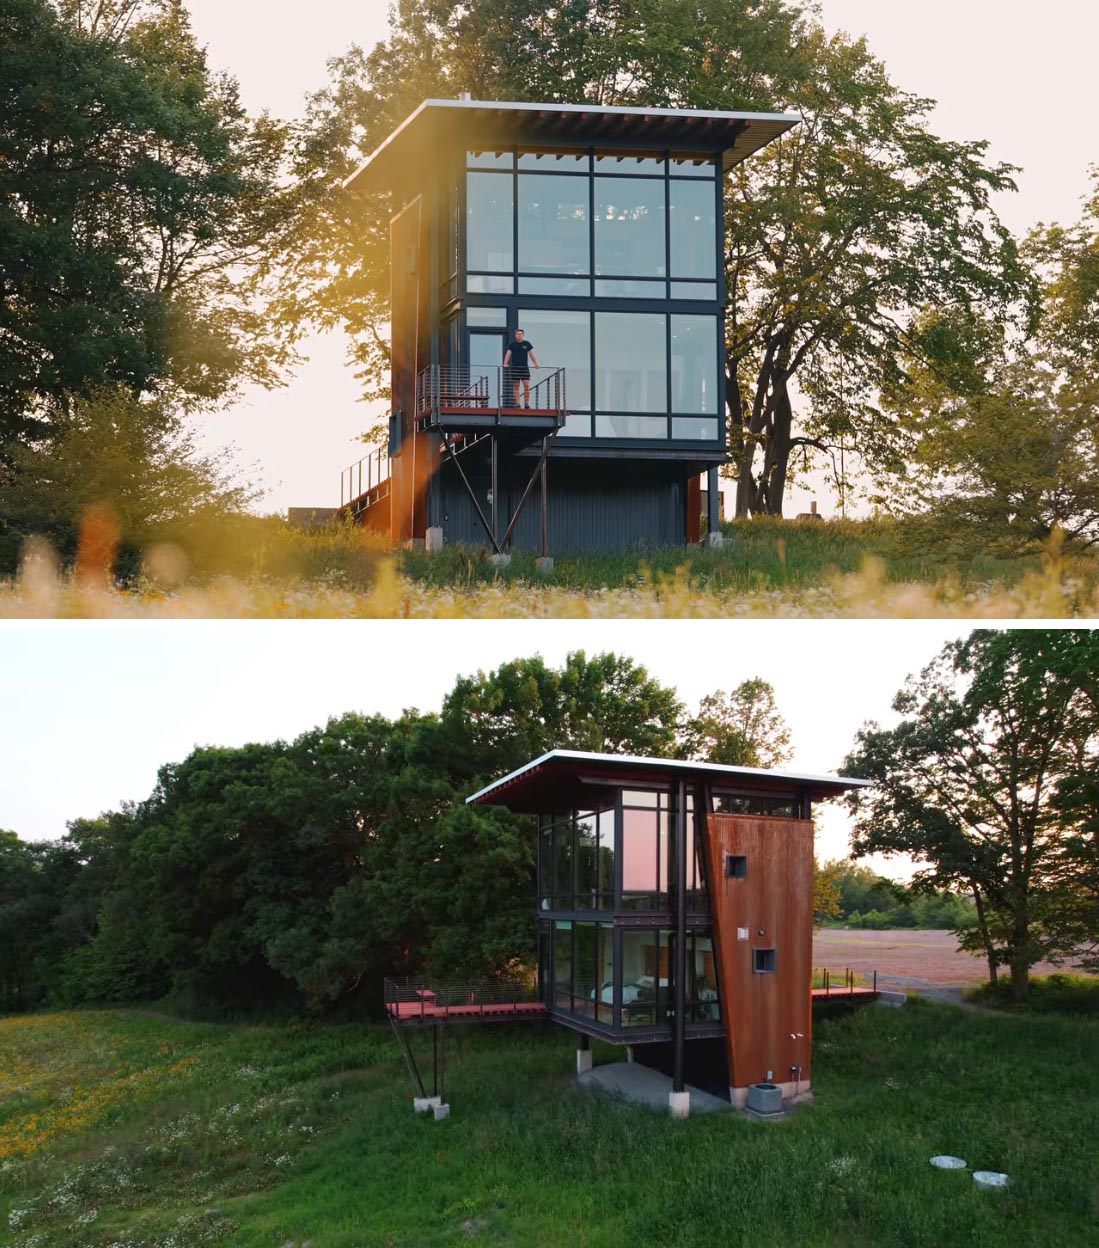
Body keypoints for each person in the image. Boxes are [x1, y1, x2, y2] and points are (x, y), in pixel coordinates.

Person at [503, 329, 539, 408]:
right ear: (515, 335)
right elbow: (508, 354)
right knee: (516, 386)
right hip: (515, 367)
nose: (519, 335)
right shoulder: (512, 344)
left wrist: (536, 363)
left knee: (526, 385)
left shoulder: (527, 344)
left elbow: (531, 354)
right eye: (517, 334)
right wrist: (505, 363)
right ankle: (517, 403)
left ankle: (526, 404)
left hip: (524, 368)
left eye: (520, 334)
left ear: (523, 335)